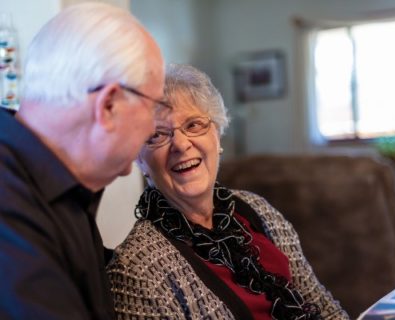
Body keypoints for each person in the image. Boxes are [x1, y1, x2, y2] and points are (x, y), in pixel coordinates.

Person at [106, 64, 349, 319]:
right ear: (138, 158)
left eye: (193, 124)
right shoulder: (136, 269)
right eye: (157, 135)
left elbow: (322, 305)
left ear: (217, 135)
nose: (180, 144)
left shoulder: (257, 209)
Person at [0, 3, 166, 319]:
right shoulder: (9, 205)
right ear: (109, 105)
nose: (152, 128)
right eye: (154, 106)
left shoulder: (65, 189)